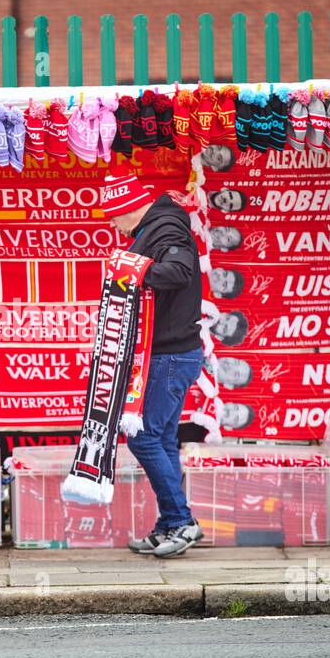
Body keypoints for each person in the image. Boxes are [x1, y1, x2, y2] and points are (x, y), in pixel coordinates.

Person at [99, 170, 204, 559]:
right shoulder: (157, 228)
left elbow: (178, 272)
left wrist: (130, 270)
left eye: (113, 215)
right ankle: (168, 525)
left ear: (129, 208)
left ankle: (181, 522)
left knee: (143, 437)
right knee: (160, 439)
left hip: (169, 355)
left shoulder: (167, 229)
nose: (112, 223)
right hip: (170, 353)